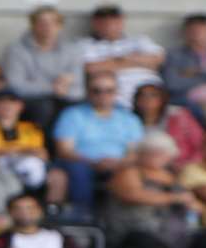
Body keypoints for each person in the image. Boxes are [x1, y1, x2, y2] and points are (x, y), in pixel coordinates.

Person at [103, 131, 199, 248]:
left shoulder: (172, 177)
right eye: (151, 152)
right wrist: (173, 198)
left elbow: (194, 204)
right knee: (148, 244)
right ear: (141, 153)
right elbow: (132, 195)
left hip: (174, 235)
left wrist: (192, 204)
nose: (156, 157)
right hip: (136, 231)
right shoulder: (129, 172)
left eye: (161, 153)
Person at [51, 73, 142, 211]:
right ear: (88, 92)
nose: (103, 95)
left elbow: (135, 151)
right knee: (78, 169)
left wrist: (117, 163)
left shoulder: (129, 118)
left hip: (119, 164)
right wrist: (93, 162)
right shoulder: (72, 114)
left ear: (116, 92)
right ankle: (82, 215)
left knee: (132, 171)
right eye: (96, 90)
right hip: (81, 162)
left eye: (109, 90)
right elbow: (64, 150)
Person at [1, 6, 86, 127]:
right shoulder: (16, 50)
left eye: (53, 22)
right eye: (42, 22)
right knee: (44, 107)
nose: (47, 27)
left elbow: (79, 89)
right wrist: (52, 88)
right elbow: (16, 85)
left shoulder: (73, 49)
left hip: (66, 97)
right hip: (31, 99)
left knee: (77, 107)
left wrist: (63, 89)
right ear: (32, 25)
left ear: (60, 26)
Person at [81, 6, 164, 108]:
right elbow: (90, 68)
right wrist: (137, 60)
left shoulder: (139, 40)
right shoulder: (86, 44)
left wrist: (116, 61)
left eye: (114, 22)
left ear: (122, 22)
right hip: (114, 99)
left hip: (150, 94)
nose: (109, 26)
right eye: (104, 23)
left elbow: (158, 59)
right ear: (95, 24)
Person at [0, 90, 51, 191]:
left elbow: (41, 155)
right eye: (1, 102)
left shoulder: (32, 129)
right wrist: (22, 150)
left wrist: (5, 151)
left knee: (30, 163)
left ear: (20, 106)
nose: (7, 106)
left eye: (12, 102)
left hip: (27, 174)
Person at [131, 81, 205, 167]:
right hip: (143, 167)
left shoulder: (179, 116)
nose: (147, 99)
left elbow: (200, 144)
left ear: (162, 99)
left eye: (153, 95)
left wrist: (188, 165)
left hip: (181, 164)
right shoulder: (128, 121)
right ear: (136, 100)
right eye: (142, 95)